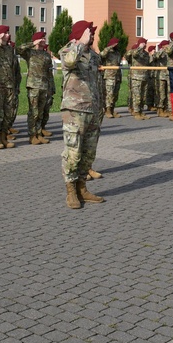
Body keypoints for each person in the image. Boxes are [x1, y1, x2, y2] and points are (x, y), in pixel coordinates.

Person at [59, 20, 105, 209]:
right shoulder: (68, 50)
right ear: (80, 34)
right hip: (75, 110)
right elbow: (69, 62)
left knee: (88, 153)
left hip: (92, 110)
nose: (92, 36)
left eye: (93, 33)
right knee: (73, 152)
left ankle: (82, 188)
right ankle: (71, 192)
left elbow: (96, 83)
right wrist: (80, 43)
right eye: (89, 32)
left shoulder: (93, 57)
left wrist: (101, 106)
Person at [17, 31, 53, 145]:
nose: (44, 40)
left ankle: (38, 133)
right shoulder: (30, 53)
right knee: (34, 111)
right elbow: (19, 49)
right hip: (33, 85)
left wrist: (51, 87)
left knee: (41, 112)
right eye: (42, 38)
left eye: (44, 38)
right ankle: (32, 135)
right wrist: (32, 43)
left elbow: (49, 73)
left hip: (44, 85)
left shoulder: (47, 55)